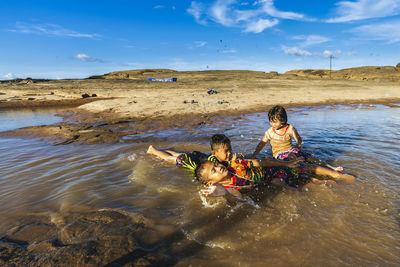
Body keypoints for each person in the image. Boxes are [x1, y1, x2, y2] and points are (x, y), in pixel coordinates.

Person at [196, 159, 355, 201]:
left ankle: (337, 175)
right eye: (214, 170)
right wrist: (223, 194)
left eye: (216, 165)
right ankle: (318, 183)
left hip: (271, 172)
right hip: (269, 182)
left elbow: (261, 162)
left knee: (305, 167)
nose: (219, 168)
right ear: (210, 183)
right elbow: (240, 199)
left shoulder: (235, 165)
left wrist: (285, 163)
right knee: (289, 189)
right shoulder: (229, 187)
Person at [252, 105, 343, 172]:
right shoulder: (269, 132)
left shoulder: (290, 129)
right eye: (271, 121)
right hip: (279, 155)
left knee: (311, 158)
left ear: (283, 121)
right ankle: (300, 166)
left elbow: (299, 140)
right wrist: (254, 155)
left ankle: (331, 167)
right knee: (292, 156)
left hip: (292, 150)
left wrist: (298, 145)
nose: (272, 124)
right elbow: (261, 144)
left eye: (275, 122)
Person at [146, 134, 233, 172]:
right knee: (169, 158)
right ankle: (153, 150)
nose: (230, 153)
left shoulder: (218, 158)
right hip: (187, 161)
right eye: (226, 151)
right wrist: (233, 164)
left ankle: (164, 150)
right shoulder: (213, 162)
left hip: (196, 156)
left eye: (230, 150)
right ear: (214, 153)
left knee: (176, 154)